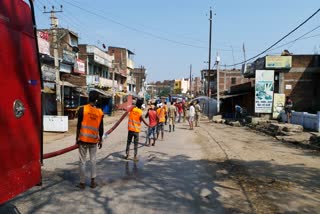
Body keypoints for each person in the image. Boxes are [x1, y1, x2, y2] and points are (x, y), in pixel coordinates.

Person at [76, 90, 104, 189]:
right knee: (93, 160)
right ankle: (92, 182)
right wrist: (101, 140)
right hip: (93, 141)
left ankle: (82, 183)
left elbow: (78, 125)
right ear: (96, 100)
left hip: (83, 140)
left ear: (89, 98)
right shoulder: (100, 112)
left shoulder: (82, 109)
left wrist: (77, 138)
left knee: (82, 161)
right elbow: (101, 128)